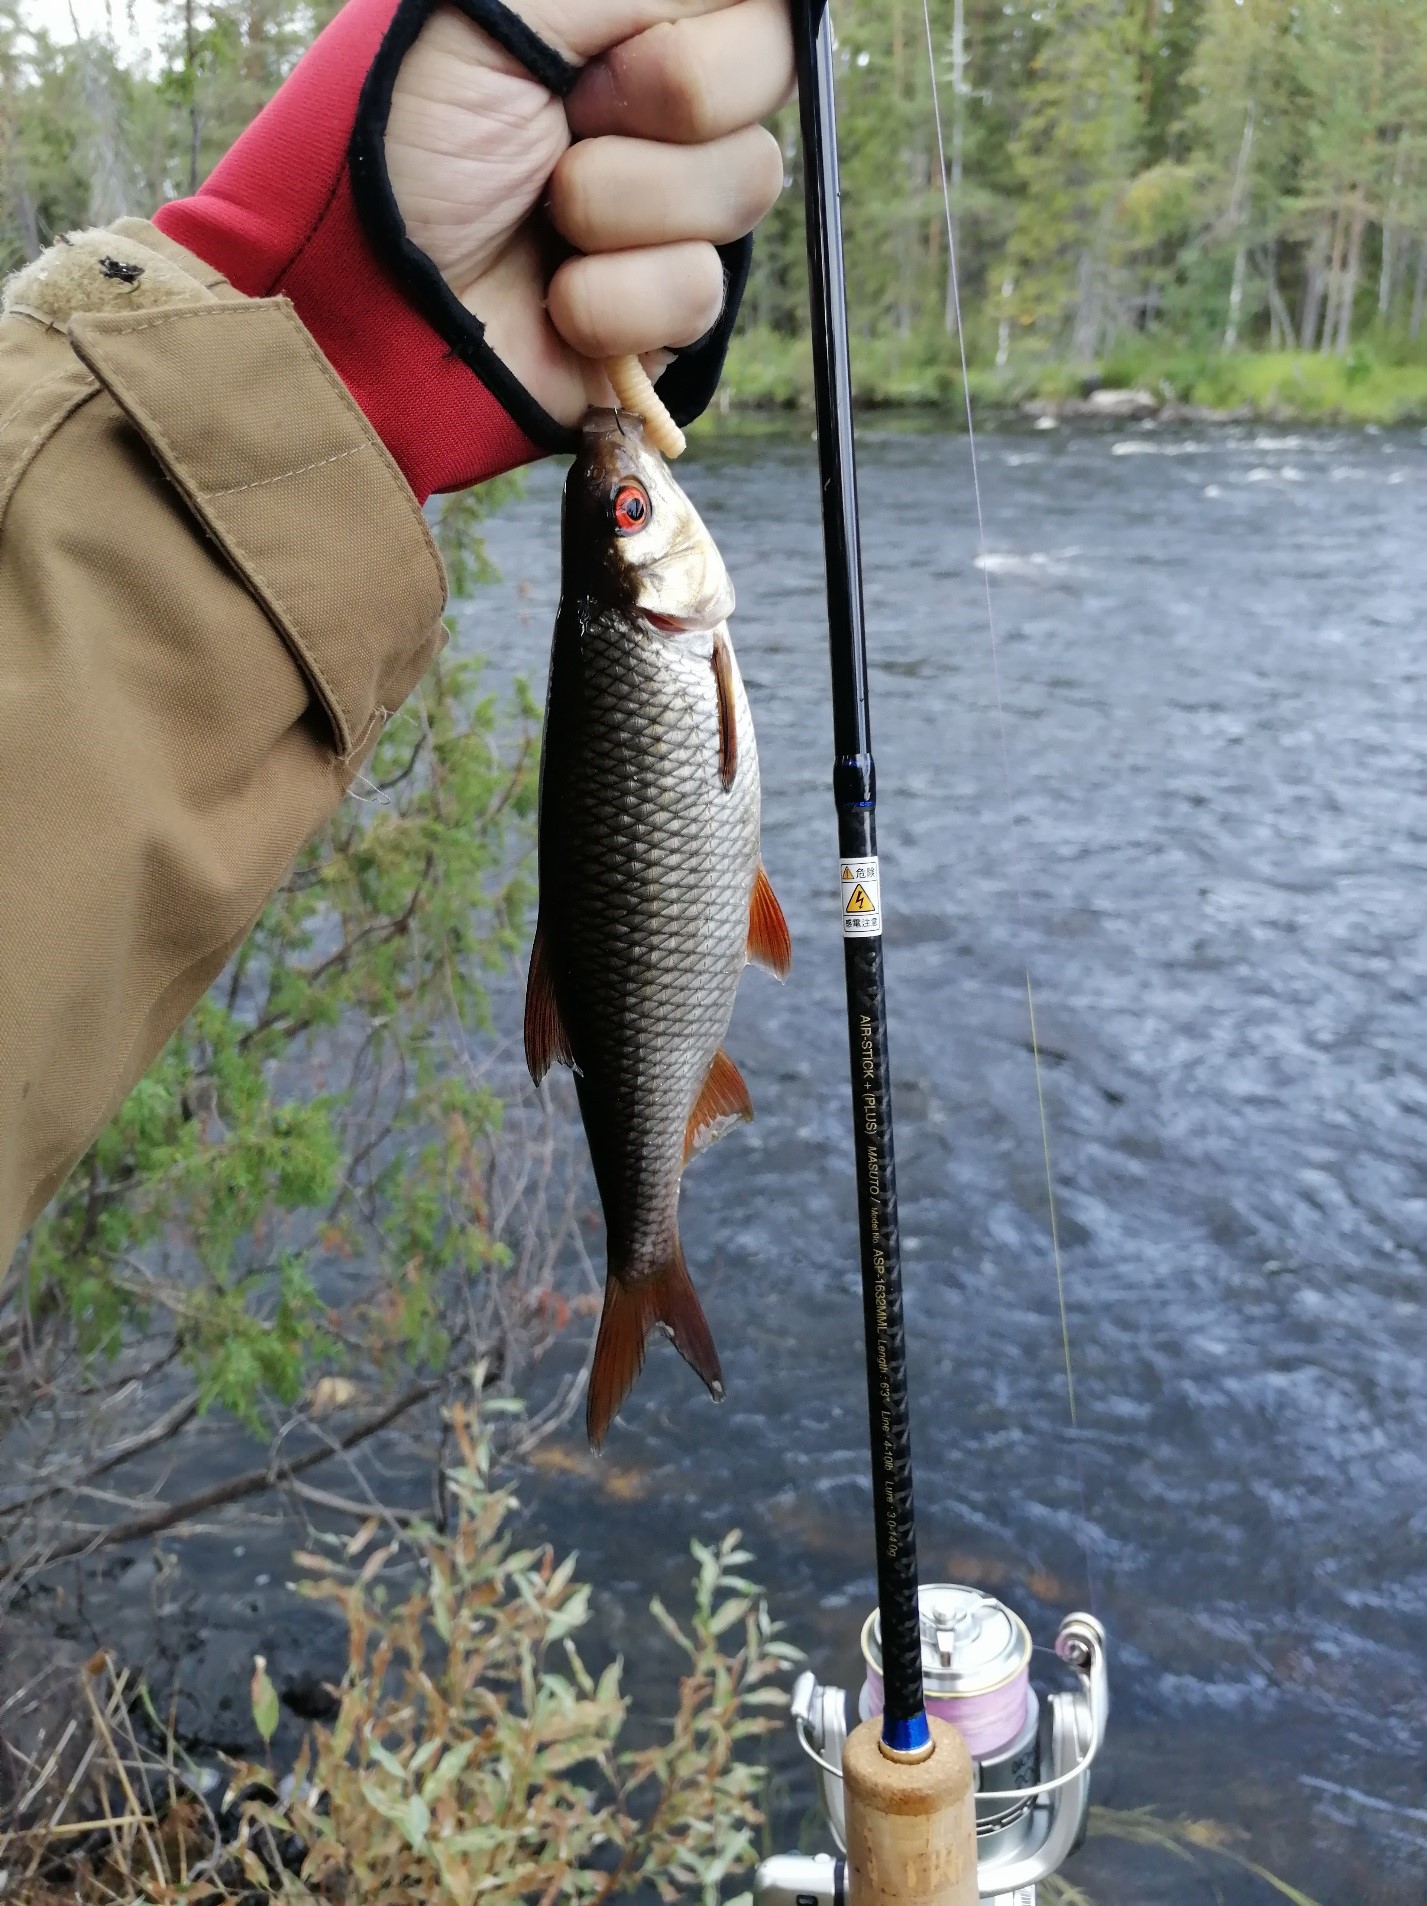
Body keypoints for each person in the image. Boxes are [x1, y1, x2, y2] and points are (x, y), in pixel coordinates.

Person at [0, 0, 793, 1274]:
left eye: (626, 503)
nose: (622, 479)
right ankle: (647, 1259)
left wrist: (334, 335)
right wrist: (323, 322)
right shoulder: (661, 630)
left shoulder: (647, 620)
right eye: (628, 506)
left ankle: (641, 1253)